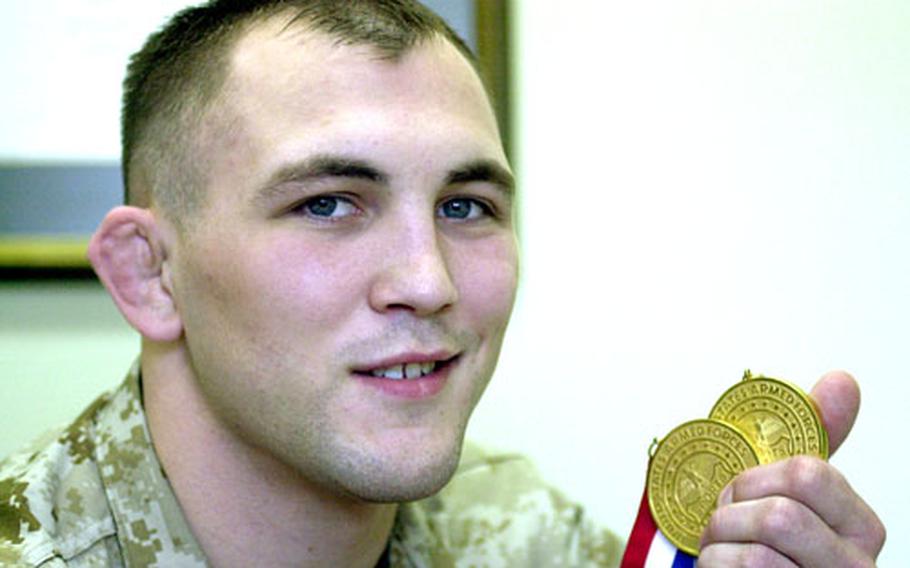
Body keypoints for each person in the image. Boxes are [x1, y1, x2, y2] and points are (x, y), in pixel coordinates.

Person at [0, 1, 885, 566]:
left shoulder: (522, 537)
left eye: (466, 207)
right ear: (152, 275)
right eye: (329, 203)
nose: (428, 282)